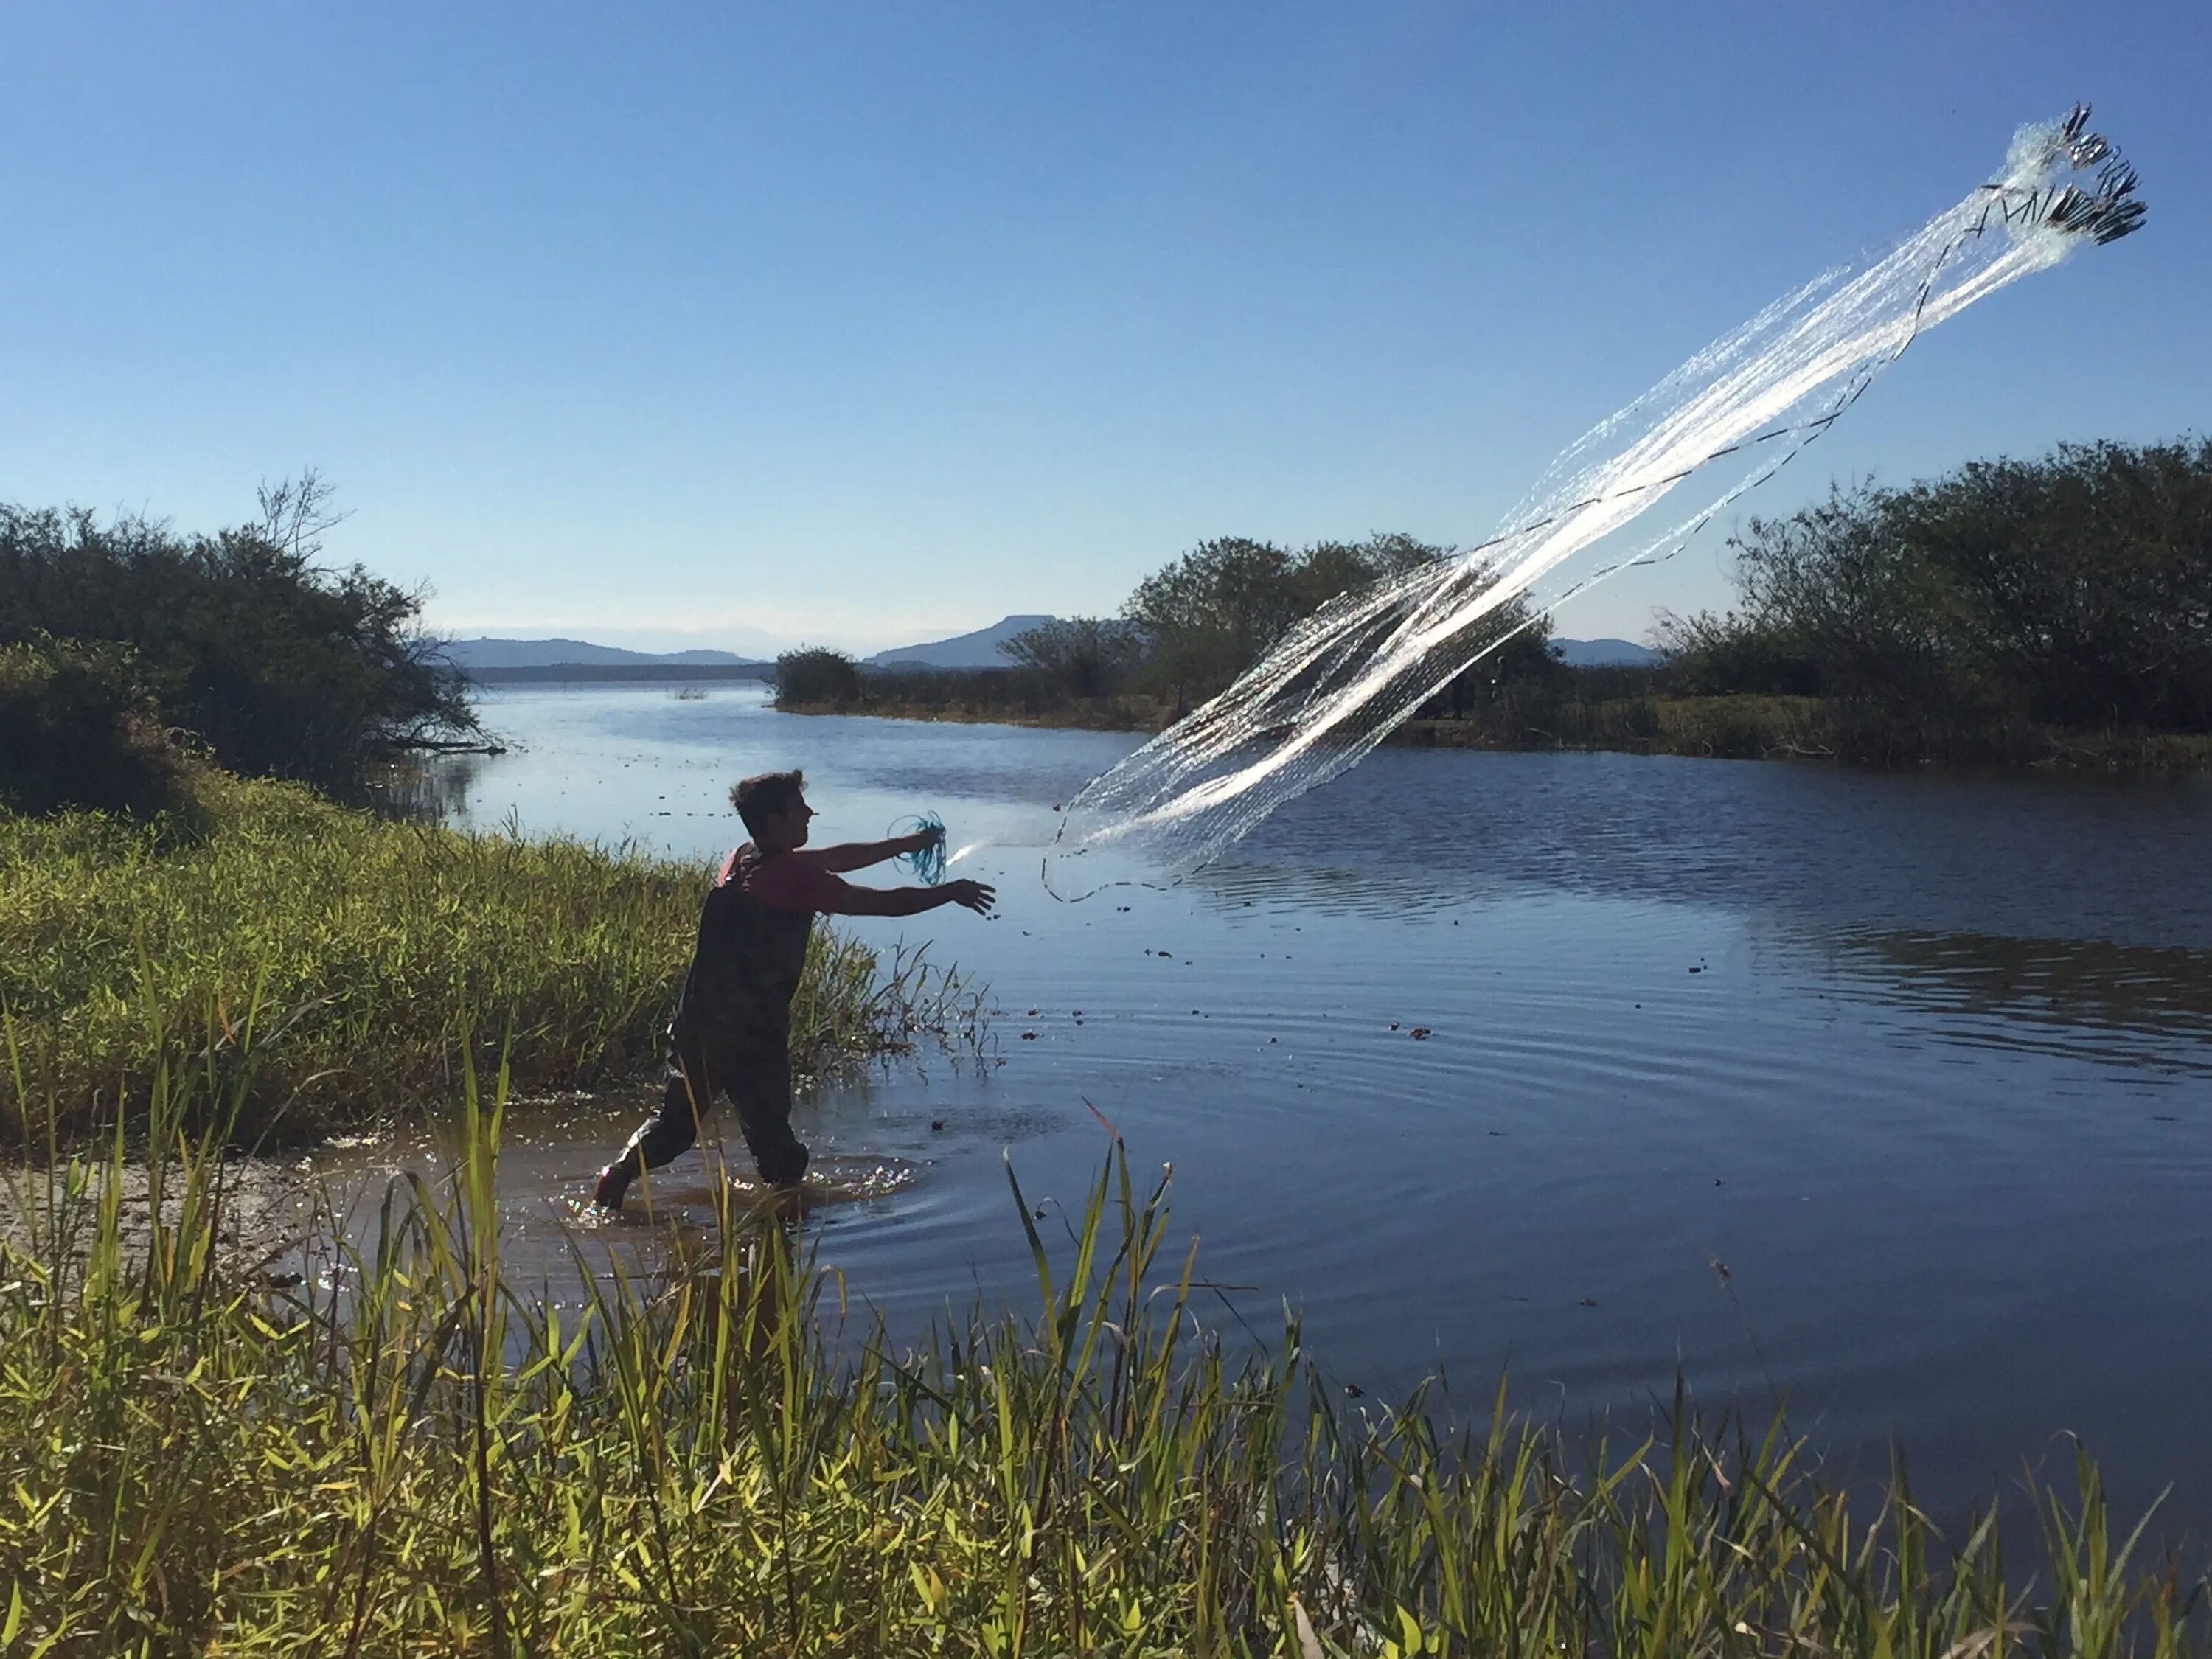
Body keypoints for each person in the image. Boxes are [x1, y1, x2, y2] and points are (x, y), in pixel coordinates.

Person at [593, 769, 995, 1210]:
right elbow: (883, 905)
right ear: (775, 819)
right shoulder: (790, 878)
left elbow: (833, 857)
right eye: (799, 808)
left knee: (676, 1126)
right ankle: (784, 1238)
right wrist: (949, 891)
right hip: (751, 1034)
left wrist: (903, 845)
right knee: (778, 1156)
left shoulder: (744, 857)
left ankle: (615, 1179)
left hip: (700, 1023)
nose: (809, 812)